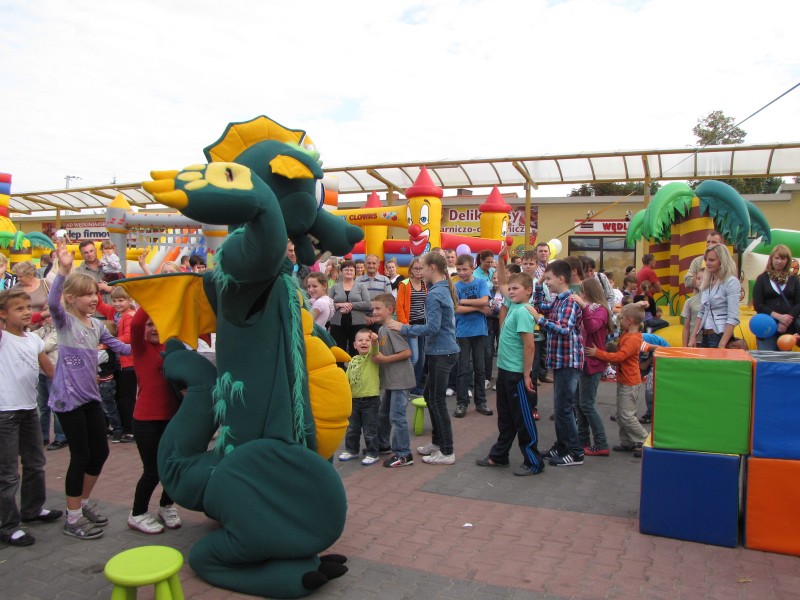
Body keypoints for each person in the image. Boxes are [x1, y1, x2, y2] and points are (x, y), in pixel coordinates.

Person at [48, 239, 131, 540]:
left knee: (101, 452)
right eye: (87, 295)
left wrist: (153, 341)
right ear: (71, 298)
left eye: (96, 293)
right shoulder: (65, 322)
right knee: (80, 455)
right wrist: (63, 270)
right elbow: (52, 302)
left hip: (90, 398)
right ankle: (72, 519)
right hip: (67, 400)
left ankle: (81, 505)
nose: (95, 299)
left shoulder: (96, 326)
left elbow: (122, 347)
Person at [0, 289, 62, 547]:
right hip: (5, 412)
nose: (27, 312)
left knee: (36, 463)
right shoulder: (3, 338)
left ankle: (32, 509)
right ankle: (7, 526)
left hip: (28, 410)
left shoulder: (34, 339)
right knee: (7, 473)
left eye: (28, 307)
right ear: (3, 314)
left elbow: (50, 370)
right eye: (19, 308)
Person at [388, 252, 460, 465]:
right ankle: (437, 442)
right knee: (430, 396)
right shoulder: (440, 289)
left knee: (437, 401)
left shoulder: (435, 293)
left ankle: (447, 451)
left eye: (423, 267)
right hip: (441, 351)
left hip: (442, 352)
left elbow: (433, 328)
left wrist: (404, 328)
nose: (420, 271)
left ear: (432, 268)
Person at [476, 272, 544, 476]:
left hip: (517, 374)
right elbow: (504, 284)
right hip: (505, 371)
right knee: (505, 417)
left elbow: (529, 346)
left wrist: (527, 375)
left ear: (528, 291)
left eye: (516, 289)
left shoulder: (522, 311)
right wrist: (502, 259)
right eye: (510, 289)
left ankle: (533, 462)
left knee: (523, 419)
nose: (511, 292)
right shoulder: (514, 306)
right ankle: (499, 455)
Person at [127, 309, 183, 534]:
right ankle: (137, 513)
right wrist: (152, 299)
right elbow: (136, 325)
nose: (153, 328)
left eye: (158, 324)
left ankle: (166, 506)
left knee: (173, 466)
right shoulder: (141, 349)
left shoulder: (172, 348)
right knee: (153, 471)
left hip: (173, 418)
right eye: (150, 324)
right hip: (146, 421)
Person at [527, 259, 585, 467]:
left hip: (569, 361)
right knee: (560, 408)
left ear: (561, 279)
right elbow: (539, 306)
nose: (547, 282)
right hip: (560, 361)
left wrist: (539, 320)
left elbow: (564, 328)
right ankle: (562, 446)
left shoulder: (570, 301)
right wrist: (539, 284)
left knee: (565, 408)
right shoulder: (558, 300)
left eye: (549, 279)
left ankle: (575, 452)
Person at [586, 303, 649, 458]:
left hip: (630, 382)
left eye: (622, 319)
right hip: (625, 380)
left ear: (630, 320)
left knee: (627, 415)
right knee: (622, 415)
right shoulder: (628, 335)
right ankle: (627, 442)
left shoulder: (632, 339)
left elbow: (620, 357)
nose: (620, 321)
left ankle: (645, 440)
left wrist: (597, 353)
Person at [371, 294, 416, 468]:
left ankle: (403, 454)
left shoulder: (391, 328)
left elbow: (407, 353)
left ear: (390, 310)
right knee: (384, 414)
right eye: (373, 308)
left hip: (400, 380)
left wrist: (384, 359)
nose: (374, 312)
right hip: (391, 381)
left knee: (397, 417)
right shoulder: (382, 329)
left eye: (378, 308)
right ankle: (383, 444)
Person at [571, 278, 612, 457]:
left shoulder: (601, 310)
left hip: (593, 363)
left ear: (587, 293)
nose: (580, 294)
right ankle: (583, 440)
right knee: (578, 404)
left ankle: (601, 443)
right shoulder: (588, 308)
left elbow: (592, 326)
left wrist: (584, 307)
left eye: (581, 291)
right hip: (582, 360)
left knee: (586, 404)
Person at [453, 254, 493, 418]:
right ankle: (462, 402)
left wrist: (464, 301)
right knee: (463, 369)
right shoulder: (455, 286)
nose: (461, 273)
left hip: (479, 331)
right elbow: (456, 308)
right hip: (462, 332)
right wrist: (477, 308)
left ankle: (481, 401)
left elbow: (484, 301)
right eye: (459, 269)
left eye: (465, 269)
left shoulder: (481, 282)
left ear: (472, 268)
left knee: (480, 368)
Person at [96, 286, 137, 442]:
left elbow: (128, 337)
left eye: (121, 300)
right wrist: (96, 289)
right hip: (117, 363)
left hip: (128, 363)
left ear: (129, 300)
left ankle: (130, 429)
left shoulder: (130, 316)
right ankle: (119, 427)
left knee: (126, 398)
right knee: (117, 397)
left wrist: (107, 343)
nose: (117, 304)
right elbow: (100, 306)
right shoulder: (114, 313)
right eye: (114, 301)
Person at [338, 329, 381, 466]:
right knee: (352, 428)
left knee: (370, 430)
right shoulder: (352, 360)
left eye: (367, 340)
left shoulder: (372, 357)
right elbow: (347, 379)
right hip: (354, 400)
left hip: (371, 399)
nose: (364, 343)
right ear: (354, 345)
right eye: (360, 340)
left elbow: (375, 350)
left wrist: (375, 341)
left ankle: (372, 453)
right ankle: (352, 450)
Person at [689, 244, 741, 349]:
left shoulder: (731, 282)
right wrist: (693, 336)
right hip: (705, 335)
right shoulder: (707, 282)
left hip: (720, 334)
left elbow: (733, 317)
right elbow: (702, 311)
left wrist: (722, 343)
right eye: (706, 260)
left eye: (712, 260)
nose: (707, 263)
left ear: (722, 261)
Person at [752, 244, 800, 351]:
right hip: (766, 326)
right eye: (776, 258)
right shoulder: (762, 278)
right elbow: (758, 304)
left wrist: (786, 321)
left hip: (787, 328)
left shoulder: (793, 279)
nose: (779, 261)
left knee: (784, 359)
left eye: (783, 258)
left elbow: (798, 303)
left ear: (787, 260)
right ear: (771, 259)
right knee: (766, 357)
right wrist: (778, 317)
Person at [33, 309, 68, 450]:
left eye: (50, 313)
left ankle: (61, 437)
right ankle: (43, 436)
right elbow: (28, 338)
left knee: (57, 405)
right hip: (41, 372)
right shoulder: (42, 330)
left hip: (55, 371)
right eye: (45, 312)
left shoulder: (60, 330)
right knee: (42, 406)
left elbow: (45, 346)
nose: (48, 316)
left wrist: (32, 344)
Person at [395, 257, 427, 394]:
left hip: (423, 324)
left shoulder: (425, 284)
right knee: (414, 358)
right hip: (410, 324)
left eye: (421, 268)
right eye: (416, 268)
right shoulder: (404, 284)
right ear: (411, 270)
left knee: (422, 358)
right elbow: (399, 308)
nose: (419, 271)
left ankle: (416, 385)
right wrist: (406, 326)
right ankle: (404, 385)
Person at [328, 260, 373, 356]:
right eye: (346, 270)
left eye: (351, 270)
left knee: (356, 351)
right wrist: (339, 305)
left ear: (355, 272)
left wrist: (350, 305)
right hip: (337, 324)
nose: (349, 272)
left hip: (358, 323)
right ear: (341, 271)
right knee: (338, 349)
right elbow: (328, 304)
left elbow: (367, 304)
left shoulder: (361, 286)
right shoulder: (335, 287)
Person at [96, 321, 124, 443]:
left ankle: (117, 430)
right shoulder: (102, 349)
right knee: (103, 408)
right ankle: (106, 429)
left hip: (105, 383)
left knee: (109, 408)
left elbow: (92, 360)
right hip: (102, 382)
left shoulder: (104, 351)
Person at [681, 268, 704, 347]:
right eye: (698, 278)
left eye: (704, 279)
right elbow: (686, 327)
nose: (701, 281)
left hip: (709, 340)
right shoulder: (690, 302)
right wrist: (685, 346)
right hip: (694, 342)